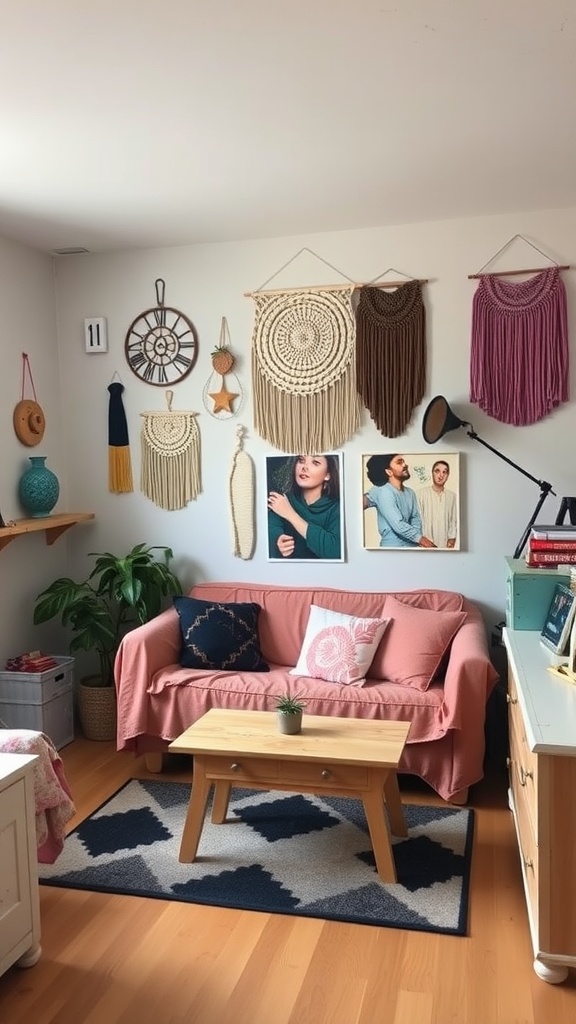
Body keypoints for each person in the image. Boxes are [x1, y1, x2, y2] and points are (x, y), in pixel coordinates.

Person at [267, 454, 341, 559]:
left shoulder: (337, 507)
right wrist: (277, 539)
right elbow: (270, 529)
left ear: (328, 474)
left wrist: (290, 514)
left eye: (315, 463)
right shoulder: (283, 500)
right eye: (301, 460)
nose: (304, 467)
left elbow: (334, 551)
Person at [363, 454, 436, 548]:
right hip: (392, 548)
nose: (405, 465)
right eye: (399, 462)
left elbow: (415, 519)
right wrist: (422, 540)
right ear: (389, 471)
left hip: (413, 547)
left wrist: (418, 542)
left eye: (404, 461)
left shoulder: (410, 492)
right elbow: (398, 524)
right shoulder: (382, 490)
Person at [416, 459, 458, 549]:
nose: (441, 475)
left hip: (444, 545)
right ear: (432, 473)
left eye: (444, 472)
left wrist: (452, 538)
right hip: (425, 545)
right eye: (437, 471)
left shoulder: (452, 496)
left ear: (448, 475)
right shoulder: (421, 494)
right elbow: (417, 519)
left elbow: (453, 520)